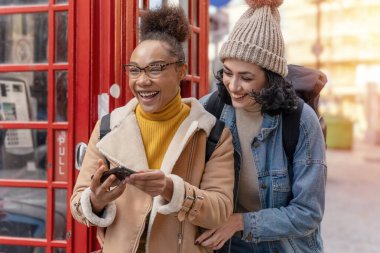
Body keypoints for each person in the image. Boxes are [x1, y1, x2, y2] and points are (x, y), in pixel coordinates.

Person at [70, 5, 235, 253]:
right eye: (134, 70)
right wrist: (95, 200)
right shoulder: (108, 126)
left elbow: (220, 211)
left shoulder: (211, 134)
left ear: (181, 70)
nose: (142, 80)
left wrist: (170, 189)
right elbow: (77, 203)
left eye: (155, 68)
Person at [197, 0, 327, 252]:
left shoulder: (301, 121)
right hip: (228, 244)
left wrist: (240, 222)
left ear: (271, 78)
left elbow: (308, 213)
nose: (233, 86)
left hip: (284, 245)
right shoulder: (210, 109)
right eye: (227, 72)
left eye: (246, 77)